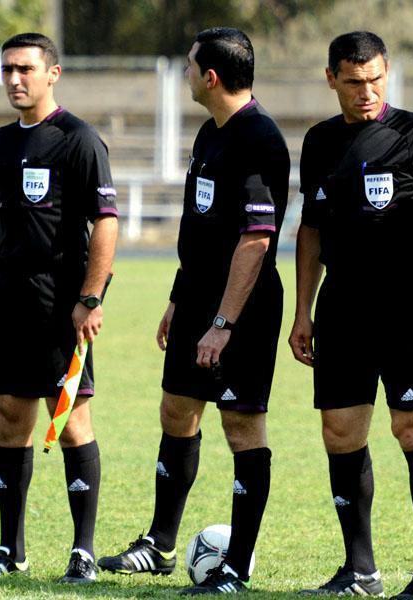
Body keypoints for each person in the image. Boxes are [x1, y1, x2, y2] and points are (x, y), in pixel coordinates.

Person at [96, 27, 289, 595]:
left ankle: (236, 568)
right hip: (197, 300)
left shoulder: (259, 138)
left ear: (211, 76)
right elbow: (200, 229)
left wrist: (222, 324)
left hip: (243, 307)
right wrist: (179, 301)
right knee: (177, 411)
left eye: (188, 66)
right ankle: (159, 545)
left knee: (240, 424)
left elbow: (255, 240)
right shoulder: (210, 132)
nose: (183, 74)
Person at [288, 31, 413, 600]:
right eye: (354, 81)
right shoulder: (319, 141)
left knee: (412, 428)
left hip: (405, 302)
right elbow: (310, 229)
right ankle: (359, 569)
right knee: (340, 431)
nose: (367, 92)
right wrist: (303, 311)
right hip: (341, 304)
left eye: (375, 80)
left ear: (386, 74)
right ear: (331, 79)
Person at [0, 32, 119, 584]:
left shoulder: (79, 139)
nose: (14, 79)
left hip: (61, 303)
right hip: (9, 299)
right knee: (10, 416)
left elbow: (106, 223)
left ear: (52, 74)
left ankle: (83, 551)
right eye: (7, 69)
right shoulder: (0, 143)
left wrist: (90, 297)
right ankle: (11, 550)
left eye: (25, 69)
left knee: (71, 420)